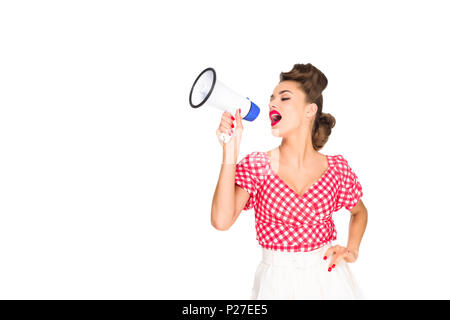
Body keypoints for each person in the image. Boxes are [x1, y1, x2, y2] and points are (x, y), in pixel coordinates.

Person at [210, 63, 368, 300]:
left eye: (284, 98)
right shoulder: (258, 166)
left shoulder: (335, 169)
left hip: (329, 281)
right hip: (276, 285)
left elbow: (360, 212)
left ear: (309, 110)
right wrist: (230, 150)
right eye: (272, 98)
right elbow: (221, 221)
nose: (272, 103)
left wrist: (352, 250)